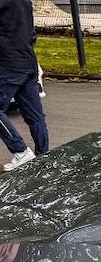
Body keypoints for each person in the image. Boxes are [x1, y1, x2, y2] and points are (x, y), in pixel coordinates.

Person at [0, 0, 48, 172]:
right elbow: (30, 31)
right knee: (35, 115)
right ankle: (44, 157)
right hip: (28, 61)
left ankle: (20, 151)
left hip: (8, 64)